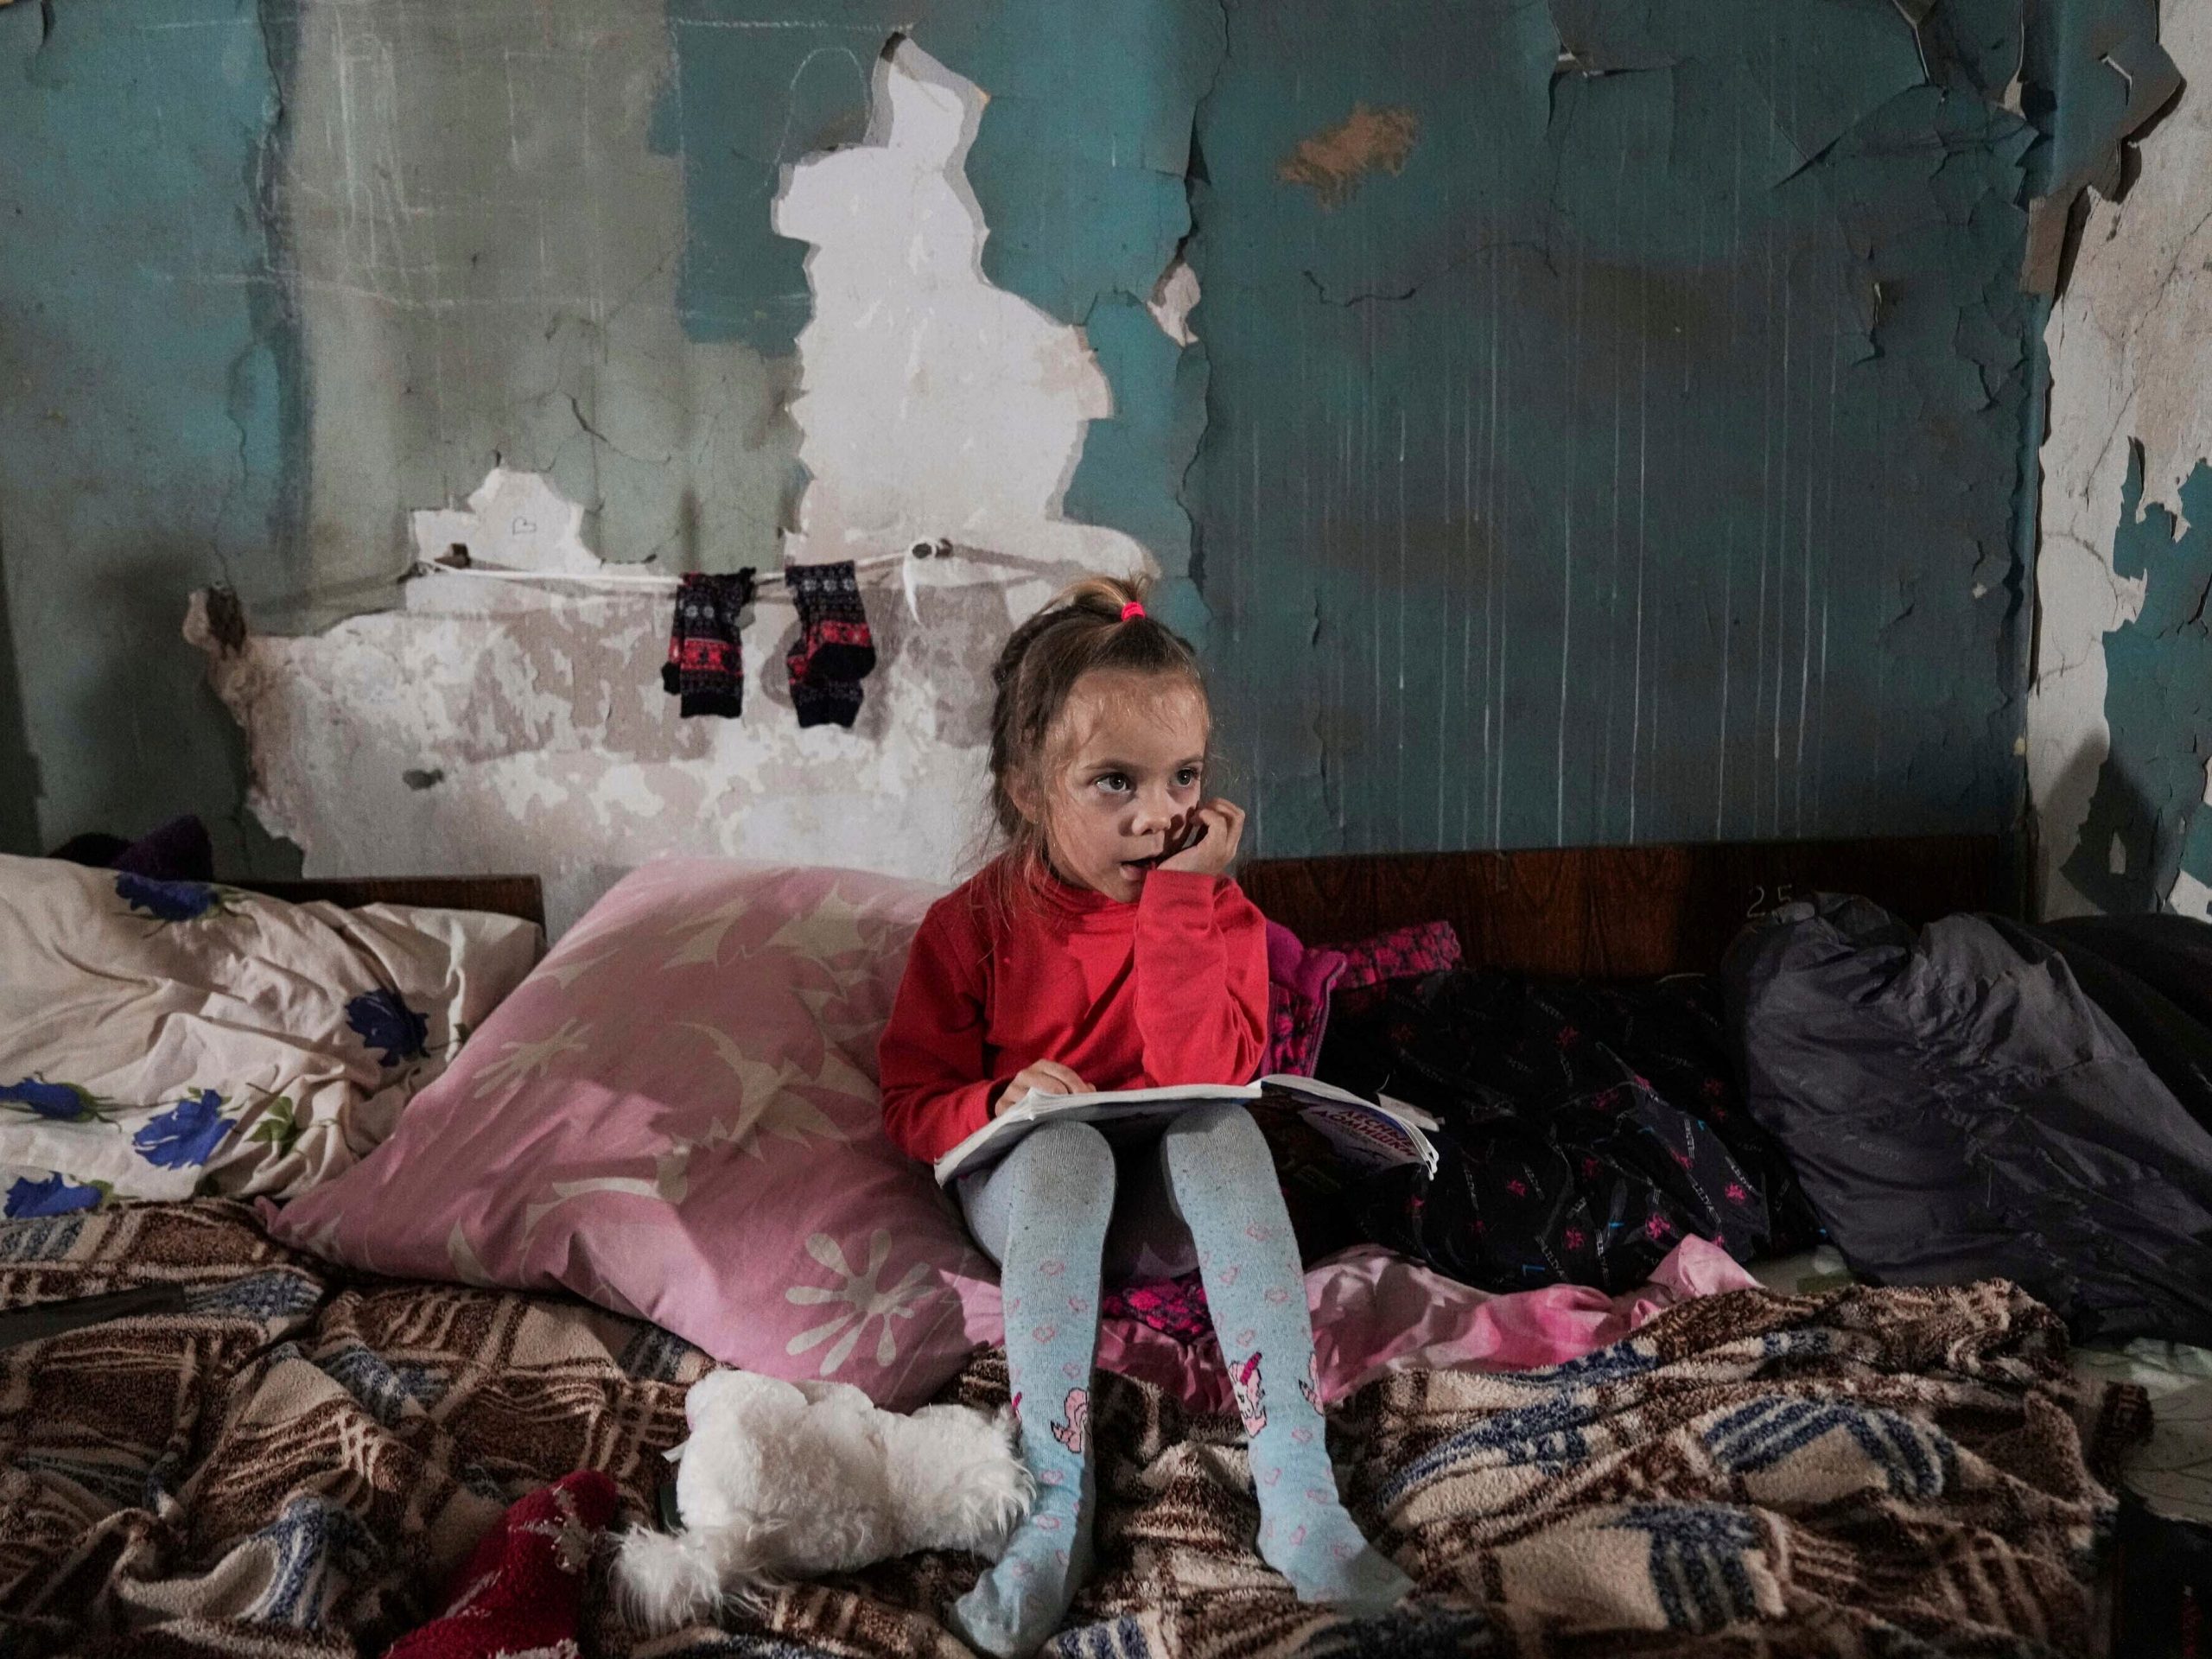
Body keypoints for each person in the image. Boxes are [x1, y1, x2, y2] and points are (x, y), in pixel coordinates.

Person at [879, 575, 1413, 1656]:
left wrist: (1184, 907)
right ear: (1026, 787)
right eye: (1113, 782)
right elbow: (911, 1101)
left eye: (1182, 779)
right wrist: (1003, 1098)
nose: (1158, 814)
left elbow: (1207, 1068)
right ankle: (1048, 1509)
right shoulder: (969, 926)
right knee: (1068, 1146)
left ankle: (1300, 1494)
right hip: (1040, 1194)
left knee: (1218, 1130)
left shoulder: (1214, 912)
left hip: (1163, 1203)